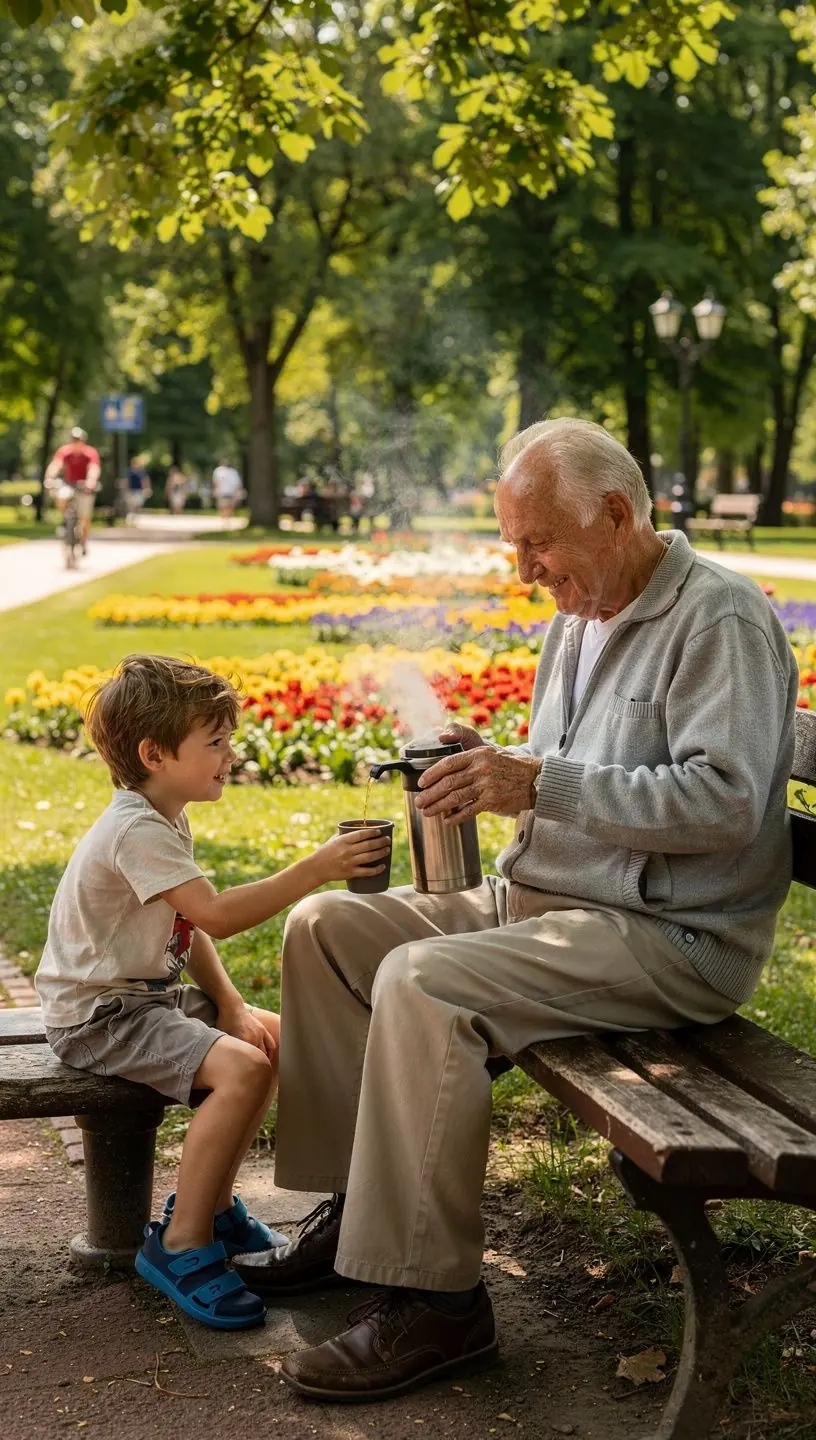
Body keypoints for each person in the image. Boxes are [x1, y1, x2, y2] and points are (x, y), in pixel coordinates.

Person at [234, 416, 799, 1399]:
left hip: (669, 936)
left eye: (537, 543)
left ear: (616, 514)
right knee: (325, 930)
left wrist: (538, 783)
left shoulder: (720, 621)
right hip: (550, 906)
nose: (525, 567)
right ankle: (357, 1208)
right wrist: (489, 761)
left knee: (424, 982)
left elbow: (726, 803)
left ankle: (439, 1307)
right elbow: (577, 769)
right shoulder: (580, 615)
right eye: (514, 544)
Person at [35, 654, 390, 1333]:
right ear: (155, 754)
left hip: (139, 998)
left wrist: (229, 1005)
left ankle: (217, 1209)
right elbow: (218, 915)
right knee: (243, 1067)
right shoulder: (137, 830)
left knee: (269, 1036)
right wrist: (317, 867)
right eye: (216, 743)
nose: (232, 754)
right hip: (98, 1015)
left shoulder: (161, 816)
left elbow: (187, 926)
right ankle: (180, 1244)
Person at [45, 427, 101, 553]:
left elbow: (94, 468)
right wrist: (49, 477)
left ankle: (84, 542)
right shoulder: (65, 451)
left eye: (78, 440)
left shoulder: (90, 452)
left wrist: (91, 481)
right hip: (69, 484)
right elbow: (56, 465)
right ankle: (64, 521)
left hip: (84, 485)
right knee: (62, 496)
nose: (75, 442)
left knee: (85, 517)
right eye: (73, 440)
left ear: (83, 441)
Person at [124, 457, 153, 521]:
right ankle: (133, 515)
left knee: (138, 503)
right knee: (132, 504)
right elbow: (127, 481)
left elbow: (145, 480)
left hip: (139, 490)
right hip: (131, 490)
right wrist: (127, 489)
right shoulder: (129, 471)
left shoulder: (141, 471)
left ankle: (136, 515)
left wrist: (147, 488)